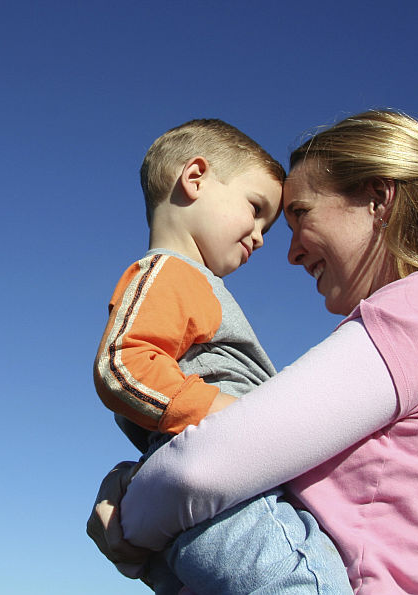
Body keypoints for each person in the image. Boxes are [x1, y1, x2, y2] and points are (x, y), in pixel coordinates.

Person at [88, 110, 418, 594]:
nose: (288, 252)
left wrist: (126, 522)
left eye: (301, 214)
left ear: (379, 198)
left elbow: (200, 469)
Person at [93, 119, 351, 594]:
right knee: (302, 582)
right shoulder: (170, 271)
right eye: (256, 210)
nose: (260, 236)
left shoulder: (193, 282)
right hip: (225, 499)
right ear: (195, 178)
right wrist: (230, 418)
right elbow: (122, 364)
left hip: (211, 499)